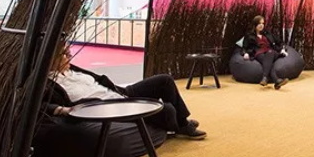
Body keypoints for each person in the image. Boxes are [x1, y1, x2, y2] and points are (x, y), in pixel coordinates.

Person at [45, 46, 206, 139]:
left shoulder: (72, 70)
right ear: (51, 59)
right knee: (168, 110)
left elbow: (100, 81)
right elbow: (41, 104)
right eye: (64, 54)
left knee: (165, 80)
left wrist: (119, 92)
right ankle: (178, 125)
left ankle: (182, 124)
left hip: (120, 93)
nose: (70, 56)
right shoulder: (48, 82)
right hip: (111, 107)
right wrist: (60, 109)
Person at [242, 15, 289, 89]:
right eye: (259, 23)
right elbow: (244, 47)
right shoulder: (249, 35)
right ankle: (277, 81)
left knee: (270, 52)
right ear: (255, 25)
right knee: (266, 61)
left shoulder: (268, 33)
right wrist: (245, 53)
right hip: (258, 52)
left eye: (263, 23)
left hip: (271, 51)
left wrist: (282, 49)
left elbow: (280, 42)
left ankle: (265, 77)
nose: (261, 25)